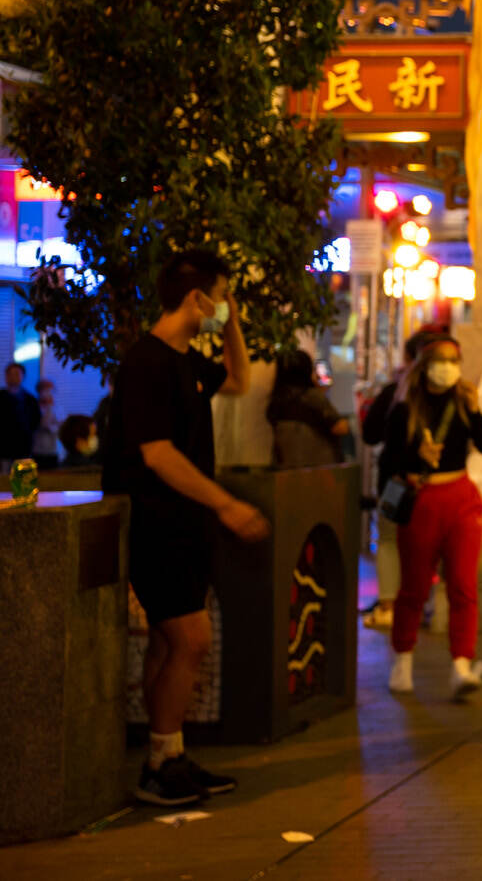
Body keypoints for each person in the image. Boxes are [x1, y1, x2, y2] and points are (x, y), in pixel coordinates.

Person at [103, 249, 268, 806]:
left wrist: (234, 324)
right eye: (220, 296)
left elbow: (241, 380)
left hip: (186, 526)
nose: (224, 306)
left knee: (168, 644)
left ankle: (168, 754)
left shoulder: (186, 361)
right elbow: (157, 455)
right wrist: (225, 504)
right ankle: (156, 764)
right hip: (158, 523)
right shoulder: (146, 363)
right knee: (192, 639)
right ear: (196, 298)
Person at [380, 334, 482, 700]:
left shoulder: (463, 401)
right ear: (424, 365)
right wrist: (417, 455)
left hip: (460, 496)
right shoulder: (405, 407)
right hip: (422, 499)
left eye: (453, 361)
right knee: (414, 586)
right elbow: (388, 461)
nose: (447, 368)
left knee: (463, 584)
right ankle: (403, 660)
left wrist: (476, 411)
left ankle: (462, 662)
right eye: (440, 360)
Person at [359, 327, 446, 627]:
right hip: (435, 485)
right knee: (425, 547)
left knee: (389, 542)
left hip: (395, 484)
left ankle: (389, 605)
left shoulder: (394, 393)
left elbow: (370, 434)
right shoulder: (452, 399)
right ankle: (423, 603)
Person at [267, 348, 349, 467]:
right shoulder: (312, 396)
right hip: (318, 468)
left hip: (286, 467)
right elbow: (340, 427)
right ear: (307, 370)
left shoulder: (277, 398)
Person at [0, 361, 33, 460]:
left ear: (23, 376)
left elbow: (35, 422)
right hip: (2, 450)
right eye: (10, 374)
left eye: (17, 374)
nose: (13, 377)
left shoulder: (30, 400)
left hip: (24, 450)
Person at [30, 377, 59, 460]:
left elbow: (61, 425)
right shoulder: (34, 407)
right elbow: (43, 424)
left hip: (53, 450)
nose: (48, 392)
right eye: (45, 390)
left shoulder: (58, 408)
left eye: (50, 389)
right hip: (37, 450)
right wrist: (49, 406)